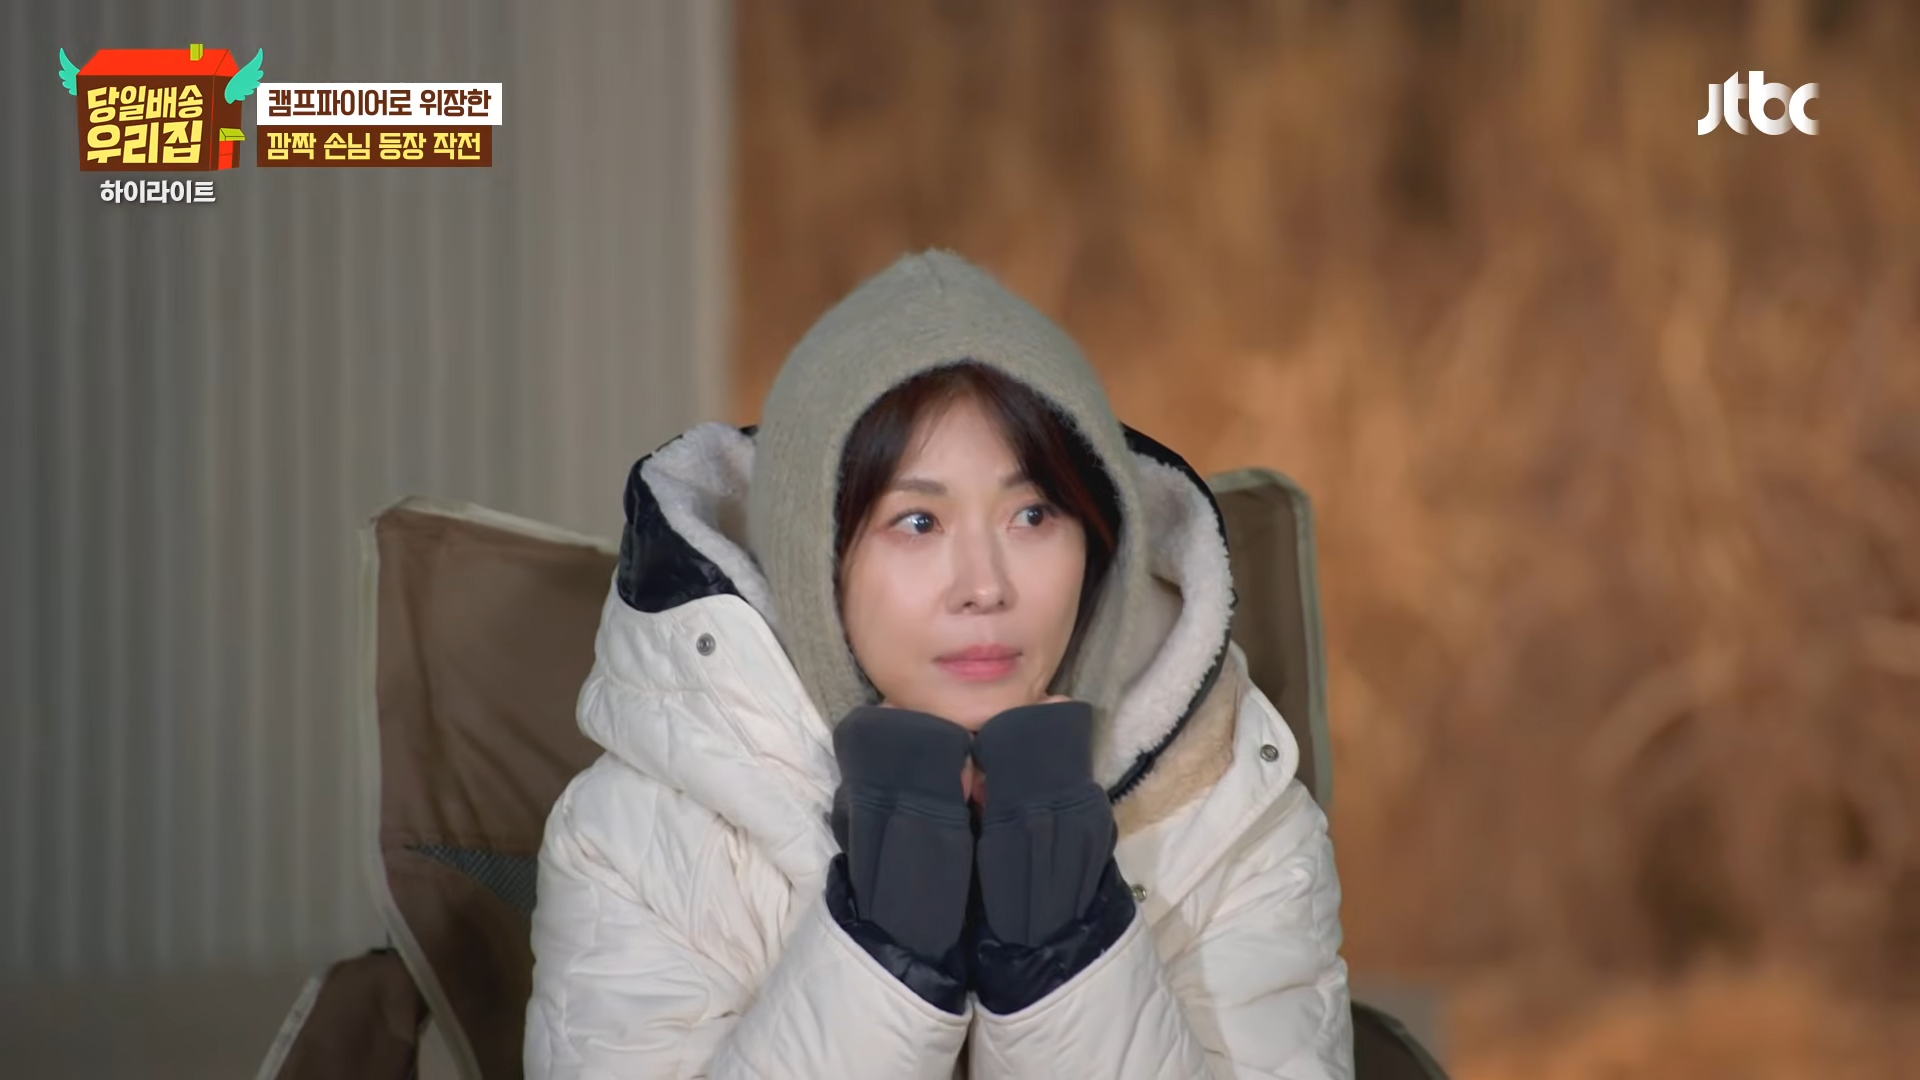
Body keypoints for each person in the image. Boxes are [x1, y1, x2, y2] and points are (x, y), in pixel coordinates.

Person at [524, 250, 1354, 1079]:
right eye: (918, 522)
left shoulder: (1238, 824)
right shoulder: (631, 842)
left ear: (1099, 546)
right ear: (817, 562)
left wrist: (1066, 950)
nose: (985, 586)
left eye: (1033, 514)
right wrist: (885, 950)